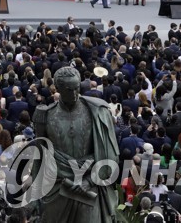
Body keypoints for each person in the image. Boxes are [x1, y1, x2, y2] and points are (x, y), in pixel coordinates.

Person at [33, 67, 118, 222]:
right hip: (57, 188)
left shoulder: (98, 112)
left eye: (76, 88)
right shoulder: (45, 115)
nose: (73, 94)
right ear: (57, 89)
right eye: (68, 90)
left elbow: (109, 155)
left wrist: (89, 182)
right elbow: (39, 155)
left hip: (89, 186)